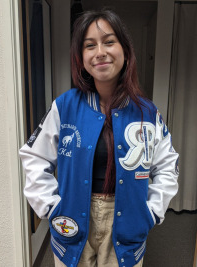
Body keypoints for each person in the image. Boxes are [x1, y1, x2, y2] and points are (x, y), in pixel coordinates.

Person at [19, 9, 179, 267]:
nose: (100, 52)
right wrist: (51, 207)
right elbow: (34, 157)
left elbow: (168, 166)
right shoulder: (65, 106)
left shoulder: (146, 113)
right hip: (72, 216)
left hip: (126, 219)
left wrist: (151, 212)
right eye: (89, 45)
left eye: (109, 42)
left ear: (125, 51)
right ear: (81, 58)